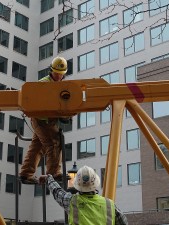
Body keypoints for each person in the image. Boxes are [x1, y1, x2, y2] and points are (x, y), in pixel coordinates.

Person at [19, 56, 70, 184]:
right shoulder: (44, 83)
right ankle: (53, 173)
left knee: (37, 147)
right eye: (56, 73)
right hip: (42, 120)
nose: (58, 76)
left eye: (61, 74)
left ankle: (26, 174)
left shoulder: (59, 85)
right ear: (51, 71)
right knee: (53, 143)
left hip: (46, 120)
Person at [39, 165, 128, 225]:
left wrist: (48, 178)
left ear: (78, 184)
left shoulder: (71, 201)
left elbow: (57, 192)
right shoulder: (110, 205)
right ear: (95, 183)